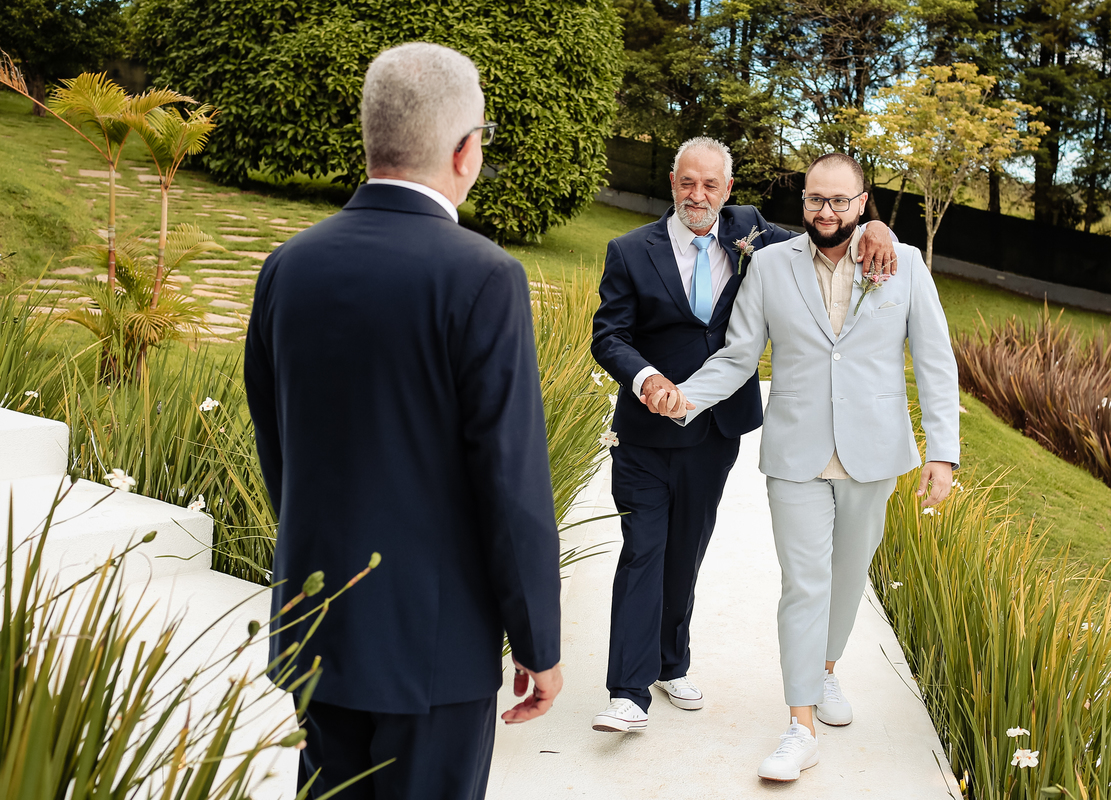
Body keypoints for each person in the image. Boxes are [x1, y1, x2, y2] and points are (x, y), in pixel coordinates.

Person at [244, 43, 563, 800]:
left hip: (320, 626)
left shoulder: (289, 265)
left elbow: (277, 444)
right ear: (465, 150)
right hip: (433, 645)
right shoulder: (484, 276)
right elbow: (510, 480)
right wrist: (539, 641)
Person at [654, 153, 959, 782]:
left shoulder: (902, 264)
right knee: (804, 583)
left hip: (874, 452)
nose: (827, 211)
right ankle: (800, 727)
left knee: (849, 577)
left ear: (862, 201)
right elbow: (740, 355)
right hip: (795, 451)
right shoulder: (768, 264)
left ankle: (824, 671)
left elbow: (934, 361)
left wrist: (943, 453)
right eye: (816, 200)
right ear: (804, 203)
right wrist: (685, 397)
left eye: (840, 201)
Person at [589, 138, 898, 732]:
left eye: (710, 186)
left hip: (716, 430)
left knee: (688, 547)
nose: (697, 196)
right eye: (686, 183)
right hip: (647, 432)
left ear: (728, 191)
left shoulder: (752, 231)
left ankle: (670, 662)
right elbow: (610, 335)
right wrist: (647, 379)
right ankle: (628, 692)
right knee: (643, 549)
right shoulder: (629, 250)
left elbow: (826, 232)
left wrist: (872, 230)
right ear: (672, 183)